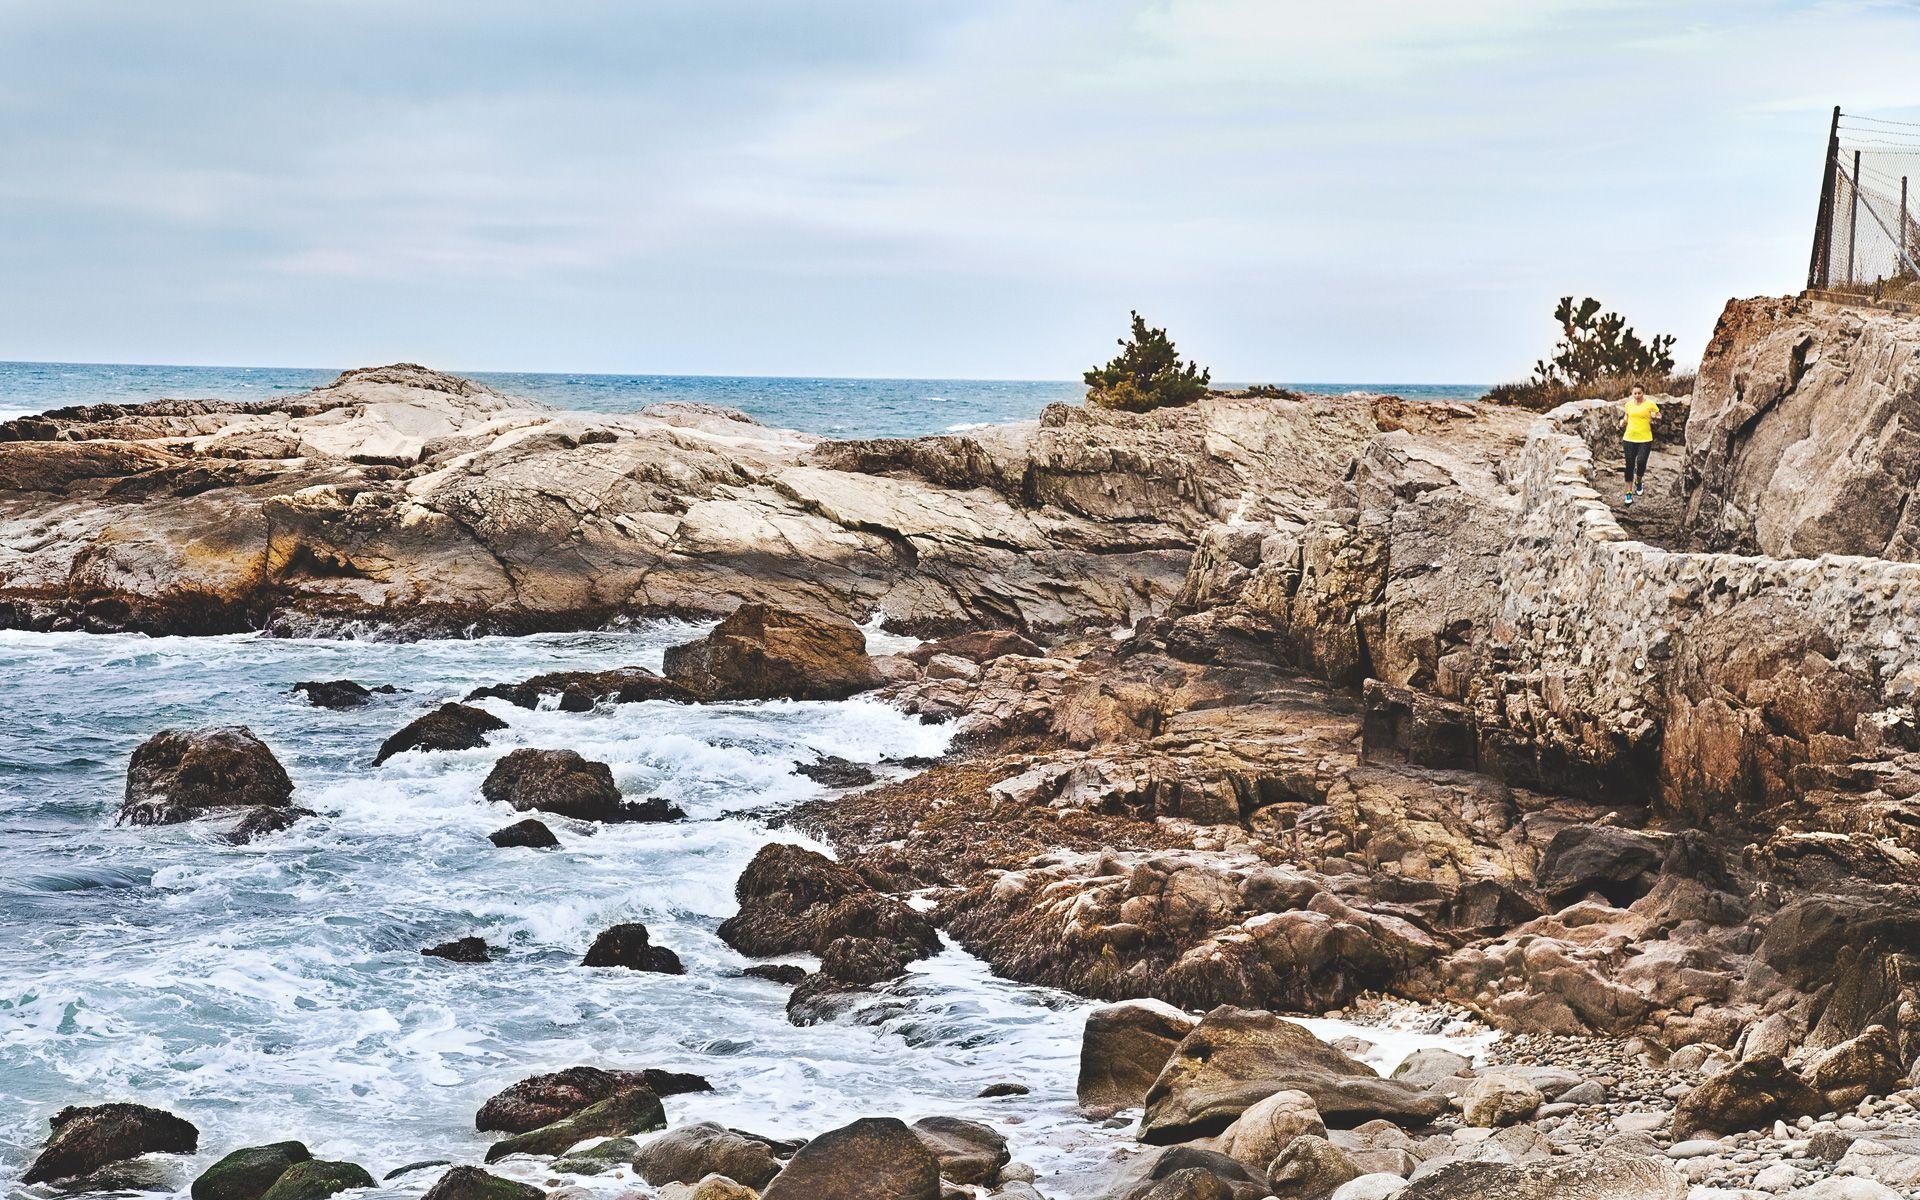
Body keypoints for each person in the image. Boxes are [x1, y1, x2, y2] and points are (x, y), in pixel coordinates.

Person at [1621, 385, 1658, 505]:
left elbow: (1659, 415)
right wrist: (1623, 422)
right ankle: (1628, 493)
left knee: (1641, 462)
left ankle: (1639, 481)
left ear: (1643, 393)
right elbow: (1626, 417)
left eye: (1639, 393)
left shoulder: (1650, 404)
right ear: (1632, 394)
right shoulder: (1628, 405)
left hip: (1645, 439)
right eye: (1635, 393)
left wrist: (1655, 416)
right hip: (1629, 438)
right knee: (1629, 465)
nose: (1637, 395)